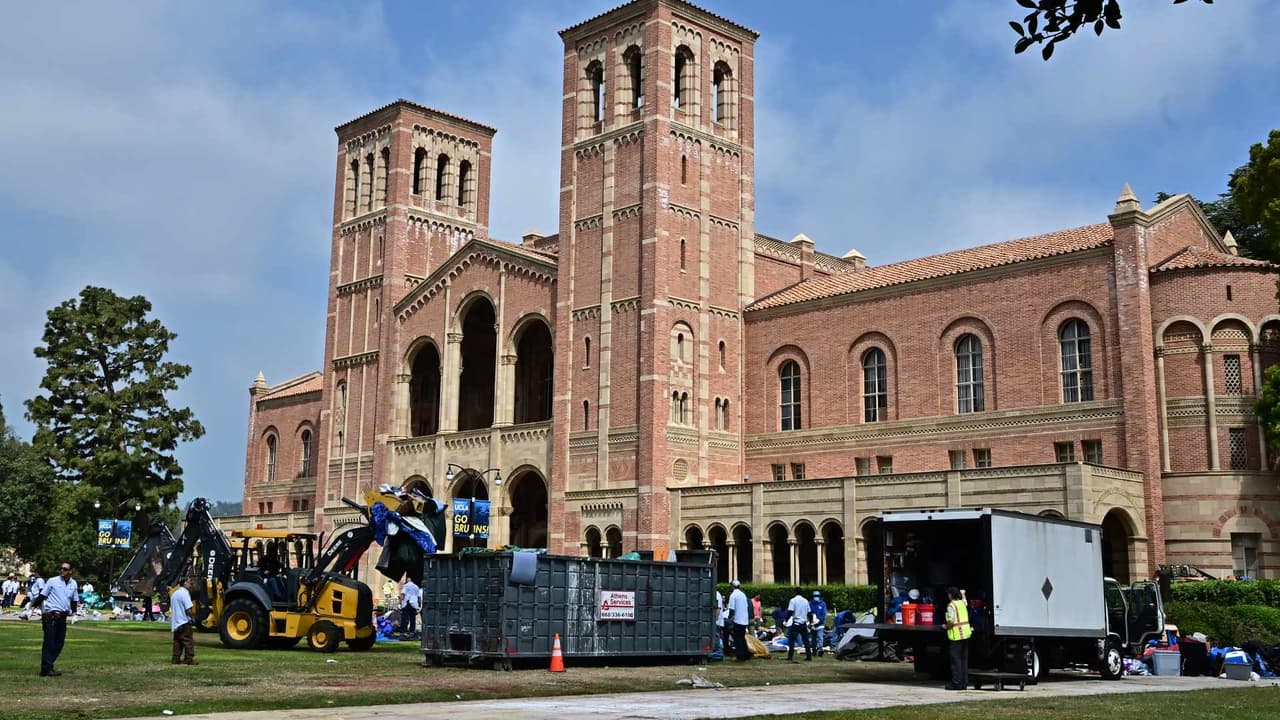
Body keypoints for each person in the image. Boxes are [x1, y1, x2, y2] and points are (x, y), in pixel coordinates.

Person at [35, 562, 78, 676]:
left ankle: (48, 665)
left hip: (63, 616)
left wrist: (74, 613)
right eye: (61, 568)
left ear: (70, 571)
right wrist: (32, 608)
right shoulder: (52, 581)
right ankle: (46, 669)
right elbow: (42, 595)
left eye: (65, 569)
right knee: (49, 642)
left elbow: (74, 600)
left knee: (59, 642)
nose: (62, 570)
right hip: (51, 616)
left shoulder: (73, 583)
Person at [944, 586, 972, 690]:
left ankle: (956, 683)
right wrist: (963, 594)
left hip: (956, 636)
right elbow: (965, 602)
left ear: (951, 595)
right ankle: (964, 683)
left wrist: (945, 626)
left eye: (948, 594)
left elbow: (951, 621)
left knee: (956, 661)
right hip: (965, 634)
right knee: (964, 660)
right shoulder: (961, 603)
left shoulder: (951, 605)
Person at [170, 576, 196, 665]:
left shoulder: (174, 594)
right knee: (188, 641)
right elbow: (188, 609)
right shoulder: (185, 593)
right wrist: (193, 617)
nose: (191, 584)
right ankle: (189, 659)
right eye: (189, 582)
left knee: (177, 642)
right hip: (184, 621)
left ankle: (175, 659)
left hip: (176, 622)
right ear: (185, 583)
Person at [785, 587, 814, 663]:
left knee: (791, 640)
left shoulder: (793, 600)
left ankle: (790, 656)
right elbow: (809, 613)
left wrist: (785, 620)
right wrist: (811, 622)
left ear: (795, 592)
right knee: (806, 641)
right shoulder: (806, 601)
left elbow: (790, 612)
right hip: (803, 623)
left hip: (796, 623)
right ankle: (809, 656)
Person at [727, 579, 751, 661]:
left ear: (732, 586)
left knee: (737, 639)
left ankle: (740, 656)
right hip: (744, 620)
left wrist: (729, 618)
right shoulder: (743, 594)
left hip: (738, 620)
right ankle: (746, 654)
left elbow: (731, 609)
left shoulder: (733, 595)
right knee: (742, 637)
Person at [810, 590, 828, 655]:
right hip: (812, 624)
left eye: (817, 596)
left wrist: (818, 620)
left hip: (820, 624)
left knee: (820, 638)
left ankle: (820, 650)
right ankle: (814, 650)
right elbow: (809, 612)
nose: (816, 597)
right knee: (813, 638)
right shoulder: (810, 603)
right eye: (815, 596)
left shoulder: (823, 604)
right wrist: (811, 621)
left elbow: (824, 614)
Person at [713, 588, 726, 656]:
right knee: (717, 636)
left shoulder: (716, 594)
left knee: (716, 636)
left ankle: (719, 652)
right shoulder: (717, 594)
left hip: (717, 621)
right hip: (718, 620)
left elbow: (718, 608)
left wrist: (715, 619)